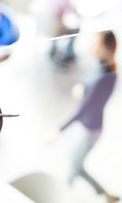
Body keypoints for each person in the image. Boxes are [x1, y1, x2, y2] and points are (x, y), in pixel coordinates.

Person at [47, 31, 119, 203]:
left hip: (90, 130)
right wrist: (84, 89)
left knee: (73, 170)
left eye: (95, 42)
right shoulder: (102, 67)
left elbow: (84, 109)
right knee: (75, 165)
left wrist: (58, 130)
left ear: (105, 48)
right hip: (85, 126)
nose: (90, 46)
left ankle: (64, 197)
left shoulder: (106, 75)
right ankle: (105, 195)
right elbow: (93, 93)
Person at [34, 0, 80, 64]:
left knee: (55, 26)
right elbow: (72, 10)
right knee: (76, 29)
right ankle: (68, 52)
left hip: (43, 23)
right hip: (54, 27)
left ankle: (53, 46)